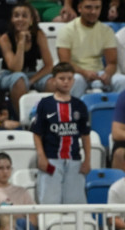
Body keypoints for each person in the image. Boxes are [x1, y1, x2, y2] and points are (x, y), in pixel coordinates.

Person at [32, 63, 91, 205]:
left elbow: (85, 135)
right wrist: (41, 157)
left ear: (74, 81)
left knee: (76, 205)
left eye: (69, 78)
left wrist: (87, 159)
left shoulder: (80, 105)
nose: (66, 82)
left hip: (74, 160)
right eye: (61, 78)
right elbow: (37, 133)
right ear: (53, 80)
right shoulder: (45, 104)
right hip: (51, 159)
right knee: (49, 203)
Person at [56, 0, 125, 98]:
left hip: (98, 72)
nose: (93, 12)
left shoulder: (106, 30)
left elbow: (112, 62)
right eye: (88, 7)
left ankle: (118, 112)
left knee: (122, 81)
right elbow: (65, 62)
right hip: (76, 72)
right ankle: (76, 112)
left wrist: (107, 74)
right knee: (76, 80)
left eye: (97, 8)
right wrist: (84, 72)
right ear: (79, 8)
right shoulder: (67, 30)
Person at [0, 2, 55, 116]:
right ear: (12, 19)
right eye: (16, 16)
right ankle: (23, 120)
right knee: (19, 79)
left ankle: (48, 117)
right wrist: (21, 44)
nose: (20, 19)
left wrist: (32, 80)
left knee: (52, 82)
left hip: (31, 73)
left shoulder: (39, 34)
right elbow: (16, 68)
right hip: (8, 75)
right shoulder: (5, 38)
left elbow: (49, 65)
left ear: (31, 20)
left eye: (24, 16)